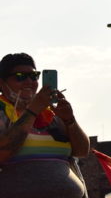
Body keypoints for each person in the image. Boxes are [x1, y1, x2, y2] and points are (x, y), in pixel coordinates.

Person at [0, 52, 90, 197]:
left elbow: (82, 151)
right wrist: (33, 111)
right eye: (20, 76)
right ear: (2, 83)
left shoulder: (52, 113)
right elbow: (2, 153)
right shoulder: (2, 112)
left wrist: (69, 120)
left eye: (34, 76)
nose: (29, 81)